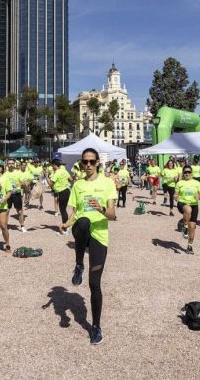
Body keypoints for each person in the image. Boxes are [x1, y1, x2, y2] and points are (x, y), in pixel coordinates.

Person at [59, 148, 117, 345]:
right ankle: (78, 264)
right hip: (81, 229)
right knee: (82, 221)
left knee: (94, 284)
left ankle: (96, 326)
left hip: (100, 235)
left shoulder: (107, 183)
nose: (89, 165)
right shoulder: (78, 184)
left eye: (92, 161)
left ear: (98, 162)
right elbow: (74, 212)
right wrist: (66, 223)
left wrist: (101, 208)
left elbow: (113, 215)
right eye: (85, 162)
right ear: (82, 164)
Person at [176, 166, 200, 253]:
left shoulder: (197, 183)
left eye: (189, 172)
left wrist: (199, 196)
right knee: (188, 210)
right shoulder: (180, 183)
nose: (187, 174)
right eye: (185, 172)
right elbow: (176, 194)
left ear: (191, 173)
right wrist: (175, 196)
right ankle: (185, 226)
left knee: (193, 227)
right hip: (182, 203)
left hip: (194, 205)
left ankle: (189, 246)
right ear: (183, 173)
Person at [47, 158, 72, 231]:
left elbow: (50, 184)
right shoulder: (64, 171)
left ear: (54, 165)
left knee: (63, 210)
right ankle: (67, 226)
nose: (51, 166)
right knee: (64, 209)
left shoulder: (56, 173)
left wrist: (46, 176)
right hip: (67, 191)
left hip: (62, 192)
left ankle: (65, 227)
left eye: (52, 165)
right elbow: (71, 179)